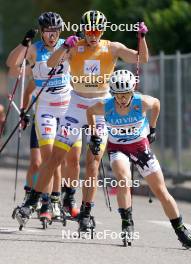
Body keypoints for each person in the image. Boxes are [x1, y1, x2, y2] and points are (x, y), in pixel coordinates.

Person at [20, 10, 149, 231]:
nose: (93, 34)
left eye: (97, 30)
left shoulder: (112, 47)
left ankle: (86, 212)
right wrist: (64, 47)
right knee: (56, 157)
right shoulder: (75, 46)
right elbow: (51, 64)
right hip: (76, 106)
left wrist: (143, 38)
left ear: (102, 30)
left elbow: (142, 59)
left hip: (100, 108)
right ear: (83, 29)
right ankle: (32, 202)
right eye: (89, 30)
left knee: (93, 163)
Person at [86, 69, 191, 248]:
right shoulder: (105, 105)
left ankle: (181, 231)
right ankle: (127, 223)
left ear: (132, 91)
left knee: (161, 191)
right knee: (124, 180)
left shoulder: (142, 102)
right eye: (118, 95)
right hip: (118, 148)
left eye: (126, 94)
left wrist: (152, 128)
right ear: (113, 94)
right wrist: (94, 135)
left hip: (140, 148)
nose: (122, 99)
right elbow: (89, 111)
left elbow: (157, 104)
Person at [6, 11, 80, 221]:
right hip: (46, 109)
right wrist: (24, 43)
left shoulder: (69, 45)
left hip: (67, 108)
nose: (52, 35)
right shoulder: (35, 49)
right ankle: (46, 201)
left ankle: (60, 199)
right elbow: (12, 64)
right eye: (48, 31)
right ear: (41, 31)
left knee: (69, 159)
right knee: (47, 159)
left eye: (55, 31)